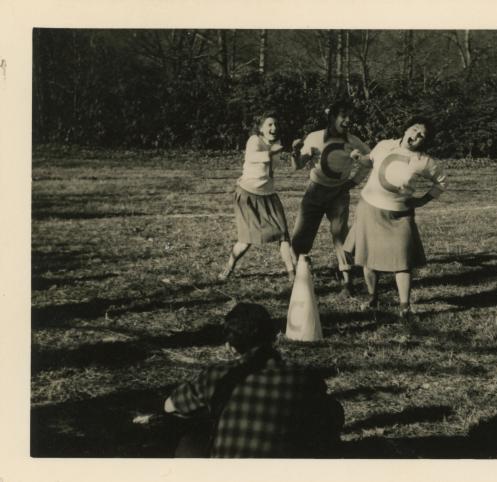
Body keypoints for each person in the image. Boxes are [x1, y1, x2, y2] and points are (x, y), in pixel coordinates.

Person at [164, 302, 344, 458]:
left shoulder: (217, 375)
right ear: (274, 337)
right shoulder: (302, 376)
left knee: (190, 444)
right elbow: (332, 414)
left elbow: (170, 405)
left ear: (229, 347)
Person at [343, 116, 446, 320]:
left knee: (403, 261)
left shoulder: (424, 162)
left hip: (399, 214)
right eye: (414, 129)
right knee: (368, 259)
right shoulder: (384, 145)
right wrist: (358, 157)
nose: (415, 135)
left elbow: (441, 182)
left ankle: (404, 306)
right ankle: (373, 298)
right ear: (406, 129)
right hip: (369, 208)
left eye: (421, 135)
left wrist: (422, 200)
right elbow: (369, 161)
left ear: (424, 141)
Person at [290, 101, 371, 296]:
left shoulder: (353, 141)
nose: (348, 120)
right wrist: (295, 152)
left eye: (350, 116)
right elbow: (297, 166)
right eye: (344, 116)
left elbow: (371, 160)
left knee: (340, 236)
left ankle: (347, 282)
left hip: (338, 194)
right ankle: (298, 275)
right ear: (332, 117)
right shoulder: (315, 137)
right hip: (314, 191)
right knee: (300, 235)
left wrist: (353, 182)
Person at [218, 113, 296, 282]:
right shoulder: (254, 140)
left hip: (268, 195)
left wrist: (294, 152)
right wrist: (270, 152)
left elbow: (271, 171)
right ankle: (229, 266)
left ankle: (292, 274)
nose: (273, 128)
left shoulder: (277, 145)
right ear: (261, 128)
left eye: (275, 124)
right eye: (269, 124)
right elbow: (252, 157)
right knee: (246, 241)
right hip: (248, 195)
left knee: (283, 234)